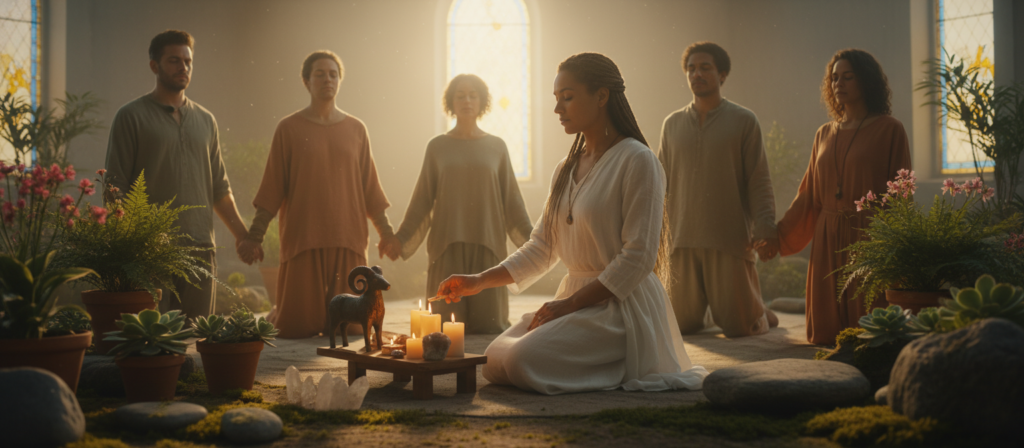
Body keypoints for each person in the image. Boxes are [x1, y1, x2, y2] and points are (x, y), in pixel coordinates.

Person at [436, 53, 708, 395]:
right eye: (556, 99)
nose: (558, 108)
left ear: (601, 96)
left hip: (620, 307)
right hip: (575, 299)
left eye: (567, 97)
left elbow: (638, 257)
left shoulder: (638, 160)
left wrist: (569, 306)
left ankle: (621, 362)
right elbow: (541, 247)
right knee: (493, 360)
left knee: (521, 361)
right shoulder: (565, 168)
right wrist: (478, 280)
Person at [239, 50, 395, 339]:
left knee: (354, 326)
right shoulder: (288, 128)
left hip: (346, 235)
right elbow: (273, 186)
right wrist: (254, 236)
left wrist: (386, 232)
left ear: (340, 81)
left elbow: (370, 187)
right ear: (306, 81)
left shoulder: (356, 129)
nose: (327, 79)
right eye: (320, 74)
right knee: (295, 327)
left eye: (333, 74)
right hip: (303, 236)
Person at [105, 29, 249, 319]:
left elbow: (219, 188)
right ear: (154, 66)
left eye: (188, 61)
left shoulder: (206, 121)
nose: (183, 67)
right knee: (153, 338)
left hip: (200, 247)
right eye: (174, 60)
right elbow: (114, 187)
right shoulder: (131, 116)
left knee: (195, 340)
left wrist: (243, 236)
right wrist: (127, 247)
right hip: (150, 251)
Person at [771, 49, 911, 345]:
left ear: (867, 81)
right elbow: (808, 194)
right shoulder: (823, 133)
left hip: (869, 234)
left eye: (848, 77)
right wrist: (777, 235)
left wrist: (897, 244)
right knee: (826, 333)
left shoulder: (890, 130)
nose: (839, 83)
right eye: (834, 78)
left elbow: (901, 193)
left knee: (869, 325)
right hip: (828, 234)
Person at [379, 74, 532, 334]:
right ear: (451, 102)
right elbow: (422, 200)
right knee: (441, 327)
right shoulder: (437, 147)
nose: (467, 100)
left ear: (482, 101)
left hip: (488, 244)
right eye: (460, 95)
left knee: (489, 327)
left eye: (473, 95)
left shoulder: (497, 146)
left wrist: (535, 242)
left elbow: (512, 202)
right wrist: (401, 239)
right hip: (447, 244)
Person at [657, 41, 778, 338]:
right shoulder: (671, 124)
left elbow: (758, 179)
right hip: (682, 239)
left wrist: (764, 226)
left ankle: (758, 312)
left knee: (740, 328)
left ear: (722, 75)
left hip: (728, 238)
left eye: (705, 67)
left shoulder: (744, 121)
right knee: (682, 326)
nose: (696, 74)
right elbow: (660, 183)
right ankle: (716, 306)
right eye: (691, 68)